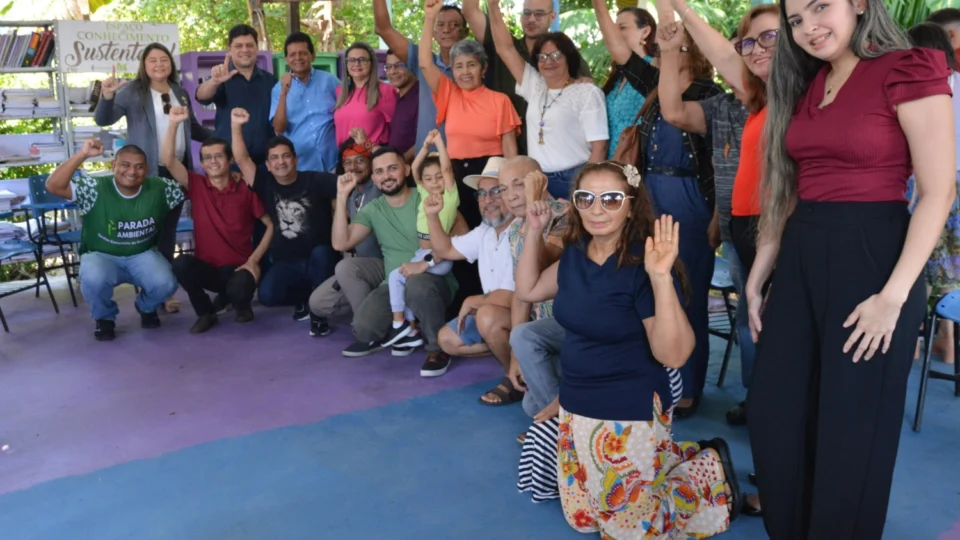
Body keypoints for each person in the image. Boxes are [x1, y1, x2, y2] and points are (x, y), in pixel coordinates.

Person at [746, 0, 955, 538]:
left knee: (851, 431)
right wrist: (759, 274)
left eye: (821, 7)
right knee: (775, 413)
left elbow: (937, 192)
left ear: (859, 4)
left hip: (874, 259)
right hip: (801, 253)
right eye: (795, 20)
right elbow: (791, 189)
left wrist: (893, 297)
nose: (808, 27)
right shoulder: (808, 83)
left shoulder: (907, 67)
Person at [515, 161, 740, 536]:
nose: (597, 209)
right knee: (583, 519)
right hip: (575, 402)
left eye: (611, 199)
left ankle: (707, 474)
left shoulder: (642, 264)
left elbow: (674, 356)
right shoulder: (575, 253)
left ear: (631, 206)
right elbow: (529, 289)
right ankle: (670, 463)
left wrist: (660, 277)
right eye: (586, 198)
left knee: (627, 531)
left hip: (628, 406)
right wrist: (533, 230)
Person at [593, 0, 723, 417]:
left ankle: (688, 386)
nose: (666, 49)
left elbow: (720, 162)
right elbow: (620, 52)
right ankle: (653, 378)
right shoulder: (654, 85)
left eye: (675, 44)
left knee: (689, 294)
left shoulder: (710, 94)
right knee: (648, 291)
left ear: (693, 52)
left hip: (690, 200)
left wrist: (718, 216)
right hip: (650, 197)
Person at [658, 1, 780, 423]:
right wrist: (668, 52)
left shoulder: (789, 94)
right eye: (746, 44)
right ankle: (757, 397)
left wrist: (679, 10)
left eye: (768, 39)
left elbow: (728, 61)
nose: (753, 51)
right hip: (737, 226)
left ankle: (774, 403)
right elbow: (673, 112)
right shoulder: (727, 104)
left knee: (775, 322)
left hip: (781, 228)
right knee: (749, 318)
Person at [94, 42, 211, 314]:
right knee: (149, 233)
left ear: (171, 63)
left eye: (164, 59)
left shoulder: (180, 91)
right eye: (152, 60)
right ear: (144, 66)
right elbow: (104, 120)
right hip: (147, 174)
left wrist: (224, 137)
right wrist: (107, 96)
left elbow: (192, 128)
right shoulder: (133, 91)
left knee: (167, 233)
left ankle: (163, 291)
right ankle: (151, 289)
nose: (159, 64)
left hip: (177, 171)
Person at [332, 147, 461, 375]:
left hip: (432, 277)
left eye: (392, 168)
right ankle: (408, 329)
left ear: (407, 170)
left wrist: (425, 264)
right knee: (363, 328)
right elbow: (341, 243)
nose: (386, 176)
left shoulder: (428, 194)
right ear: (373, 178)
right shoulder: (373, 209)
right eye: (379, 171)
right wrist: (342, 197)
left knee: (418, 285)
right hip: (394, 283)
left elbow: (463, 238)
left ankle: (437, 348)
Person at [45, 140, 182, 341]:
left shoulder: (162, 188)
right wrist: (82, 155)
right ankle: (104, 318)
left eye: (139, 166)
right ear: (113, 166)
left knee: (167, 283)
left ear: (147, 170)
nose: (132, 171)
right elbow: (53, 185)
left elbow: (193, 187)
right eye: (125, 165)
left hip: (142, 254)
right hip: (101, 255)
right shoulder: (94, 187)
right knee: (93, 279)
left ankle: (146, 307)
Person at [162, 107, 273, 333]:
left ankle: (239, 304)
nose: (213, 161)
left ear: (230, 160)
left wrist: (254, 260)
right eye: (207, 158)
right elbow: (169, 161)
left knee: (240, 293)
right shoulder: (196, 185)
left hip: (240, 268)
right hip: (209, 270)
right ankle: (206, 313)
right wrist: (173, 123)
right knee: (181, 264)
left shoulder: (245, 188)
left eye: (219, 156)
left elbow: (271, 225)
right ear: (202, 164)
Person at [487, 0, 608, 200]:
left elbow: (599, 147)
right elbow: (505, 49)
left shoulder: (586, 92)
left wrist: (584, 189)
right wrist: (492, 6)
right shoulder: (536, 86)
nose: (548, 62)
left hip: (574, 179)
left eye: (555, 55)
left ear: (568, 57)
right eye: (542, 57)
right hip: (537, 180)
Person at [231, 108, 340, 321]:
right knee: (267, 296)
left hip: (320, 259)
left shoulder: (317, 180)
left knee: (322, 254)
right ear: (268, 165)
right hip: (288, 262)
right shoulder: (265, 184)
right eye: (275, 158)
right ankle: (306, 298)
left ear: (296, 160)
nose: (281, 162)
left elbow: (350, 184)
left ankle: (319, 312)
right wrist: (236, 126)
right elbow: (242, 159)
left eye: (286, 156)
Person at [420, 0, 521, 228]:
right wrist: (430, 18)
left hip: (490, 174)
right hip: (454, 175)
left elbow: (510, 152)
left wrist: (511, 187)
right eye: (459, 66)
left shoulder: (500, 100)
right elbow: (425, 63)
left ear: (483, 69)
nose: (465, 72)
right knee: (463, 235)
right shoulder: (448, 92)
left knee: (497, 230)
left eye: (471, 65)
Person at [428, 164, 517, 400]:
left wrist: (474, 300)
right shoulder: (484, 231)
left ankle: (515, 377)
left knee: (486, 315)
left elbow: (518, 296)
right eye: (482, 193)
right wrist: (432, 216)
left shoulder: (523, 228)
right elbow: (445, 250)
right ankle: (502, 345)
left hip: (524, 314)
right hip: (495, 312)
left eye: (496, 191)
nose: (488, 200)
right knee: (447, 339)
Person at [462, 0, 593, 156]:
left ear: (552, 17)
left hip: (552, 152)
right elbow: (470, 11)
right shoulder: (504, 45)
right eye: (526, 13)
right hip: (501, 150)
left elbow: (588, 100)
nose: (531, 19)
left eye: (539, 14)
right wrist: (493, 5)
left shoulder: (566, 58)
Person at [906, 22, 960, 365]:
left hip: (928, 183)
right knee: (950, 270)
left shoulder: (920, 88)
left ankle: (911, 341)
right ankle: (948, 343)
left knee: (916, 263)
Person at [382, 130, 459, 346]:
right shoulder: (424, 193)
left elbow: (446, 168)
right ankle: (410, 328)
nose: (434, 182)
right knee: (400, 278)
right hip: (422, 253)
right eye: (429, 179)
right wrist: (425, 146)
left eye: (439, 177)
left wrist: (439, 143)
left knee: (397, 276)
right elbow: (415, 168)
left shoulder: (450, 197)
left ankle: (400, 324)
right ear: (423, 183)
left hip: (440, 257)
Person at [307, 139, 383, 338]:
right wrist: (341, 197)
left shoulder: (379, 185)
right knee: (317, 303)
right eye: (348, 162)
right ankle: (374, 308)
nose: (353, 167)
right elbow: (340, 242)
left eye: (360, 160)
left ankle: (369, 328)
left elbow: (385, 159)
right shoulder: (351, 193)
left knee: (346, 268)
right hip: (356, 269)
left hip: (383, 266)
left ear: (371, 163)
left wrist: (367, 144)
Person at [373, 0, 468, 150]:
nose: (446, 30)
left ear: (465, 32)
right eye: (440, 25)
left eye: (454, 25)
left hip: (464, 156)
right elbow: (383, 29)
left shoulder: (473, 69)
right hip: (425, 160)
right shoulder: (424, 61)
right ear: (434, 32)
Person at [196, 24, 277, 166]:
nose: (245, 50)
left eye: (249, 45)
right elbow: (201, 96)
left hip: (264, 163)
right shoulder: (222, 77)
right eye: (239, 46)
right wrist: (215, 82)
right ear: (230, 49)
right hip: (229, 163)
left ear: (257, 48)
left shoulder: (270, 81)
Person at [271, 32, 340, 173]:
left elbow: (349, 108)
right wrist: (284, 93)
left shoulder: (330, 81)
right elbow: (279, 129)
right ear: (286, 59)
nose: (298, 58)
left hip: (333, 161)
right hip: (301, 165)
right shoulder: (278, 89)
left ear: (312, 56)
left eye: (303, 53)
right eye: (292, 54)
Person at [601, 7, 657, 158]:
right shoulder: (617, 75)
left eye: (623, 28)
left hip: (639, 161)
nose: (615, 34)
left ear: (645, 32)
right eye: (613, 29)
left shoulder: (655, 71)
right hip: (611, 162)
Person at [334, 42, 397, 148]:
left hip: (372, 155)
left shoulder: (385, 91)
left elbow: (398, 130)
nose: (356, 64)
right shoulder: (340, 91)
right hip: (345, 155)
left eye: (362, 59)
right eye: (351, 60)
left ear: (372, 63)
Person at [384, 49, 420, 163]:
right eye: (388, 67)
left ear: (414, 65)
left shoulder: (422, 96)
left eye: (399, 65)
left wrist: (400, 163)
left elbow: (426, 138)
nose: (392, 71)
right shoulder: (397, 97)